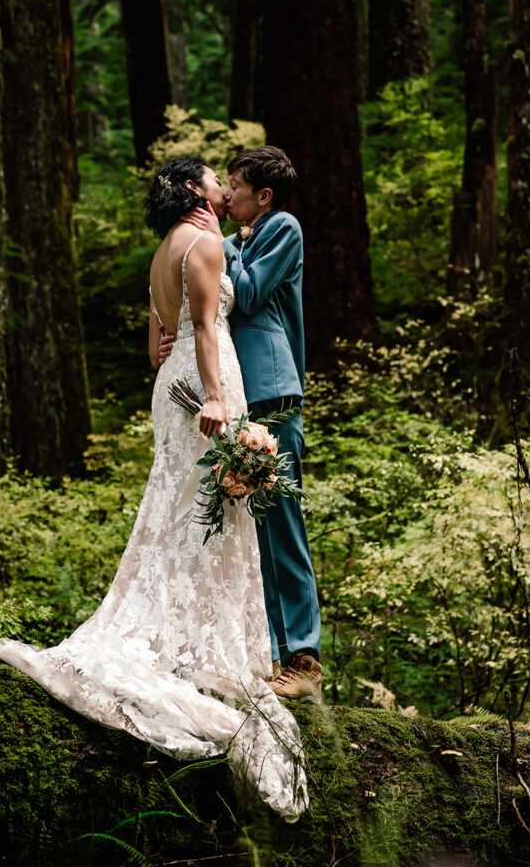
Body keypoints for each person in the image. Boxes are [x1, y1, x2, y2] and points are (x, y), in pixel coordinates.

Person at [0, 155, 307, 822]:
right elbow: (207, 327)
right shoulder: (204, 240)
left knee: (177, 508)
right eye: (212, 177)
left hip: (166, 384)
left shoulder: (164, 250)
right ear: (191, 191)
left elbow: (159, 340)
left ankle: (181, 636)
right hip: (206, 383)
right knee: (210, 513)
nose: (219, 186)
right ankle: (202, 648)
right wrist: (213, 394)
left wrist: (181, 366)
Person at [170, 146, 322, 703]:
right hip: (237, 394)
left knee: (282, 522)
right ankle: (269, 655)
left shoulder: (283, 226)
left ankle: (304, 658)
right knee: (247, 529)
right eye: (225, 183)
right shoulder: (228, 243)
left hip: (274, 390)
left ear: (263, 195)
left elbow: (253, 293)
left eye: (235, 184)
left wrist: (218, 242)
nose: (226, 193)